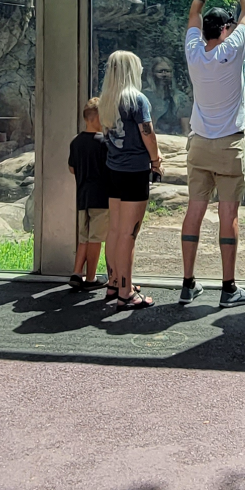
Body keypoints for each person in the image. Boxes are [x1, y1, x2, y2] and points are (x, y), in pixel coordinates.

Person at [177, 0, 245, 308]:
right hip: (229, 146)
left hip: (199, 145)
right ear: (225, 30)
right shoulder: (233, 50)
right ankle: (228, 288)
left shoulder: (194, 53)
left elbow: (193, 13)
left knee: (194, 210)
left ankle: (187, 283)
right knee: (229, 214)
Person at [98, 50, 160, 310]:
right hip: (135, 172)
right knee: (129, 234)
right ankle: (126, 292)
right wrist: (156, 161)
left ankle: (114, 282)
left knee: (115, 229)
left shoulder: (106, 100)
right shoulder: (137, 99)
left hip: (113, 170)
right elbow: (148, 134)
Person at [66, 99, 109, 292]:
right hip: (101, 198)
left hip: (82, 197)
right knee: (95, 239)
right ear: (99, 118)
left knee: (84, 237)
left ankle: (77, 273)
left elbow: (71, 168)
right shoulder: (104, 143)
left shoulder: (76, 142)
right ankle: (91, 278)